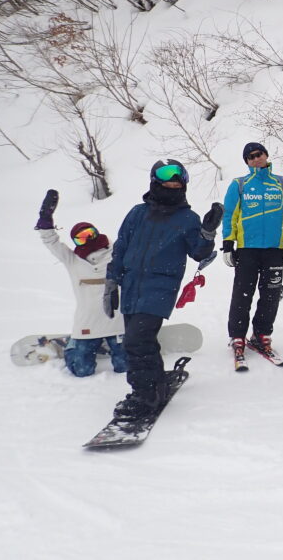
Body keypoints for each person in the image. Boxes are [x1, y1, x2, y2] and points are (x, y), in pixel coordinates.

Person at [105, 160, 220, 417]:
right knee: (141, 341)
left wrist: (208, 233)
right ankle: (155, 385)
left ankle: (145, 397)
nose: (173, 183)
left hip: (160, 287)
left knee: (136, 341)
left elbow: (199, 252)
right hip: (132, 286)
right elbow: (121, 247)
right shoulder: (137, 213)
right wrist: (112, 281)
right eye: (167, 178)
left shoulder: (187, 218)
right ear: (154, 181)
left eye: (178, 180)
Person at [222, 142, 283, 367]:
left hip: (274, 250)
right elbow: (229, 215)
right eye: (251, 157)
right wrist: (228, 244)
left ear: (266, 155)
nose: (256, 159)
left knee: (271, 295)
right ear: (247, 162)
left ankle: (261, 335)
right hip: (247, 249)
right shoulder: (239, 185)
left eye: (259, 154)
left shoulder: (282, 183)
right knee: (242, 294)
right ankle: (238, 336)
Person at [34, 189, 126, 376]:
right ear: (76, 242)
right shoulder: (72, 260)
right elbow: (51, 241)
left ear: (97, 233)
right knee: (81, 370)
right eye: (81, 238)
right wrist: (45, 219)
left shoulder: (116, 252)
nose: (88, 239)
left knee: (126, 367)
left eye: (90, 234)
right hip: (88, 323)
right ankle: (73, 345)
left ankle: (112, 344)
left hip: (118, 322)